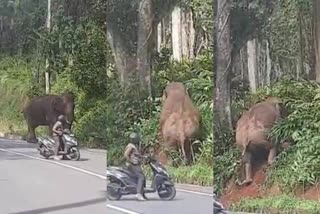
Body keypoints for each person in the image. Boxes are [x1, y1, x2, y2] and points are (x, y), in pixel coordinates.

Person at [124, 132, 146, 201]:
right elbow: (126, 154)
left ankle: (142, 193)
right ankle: (138, 194)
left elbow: (136, 154)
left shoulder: (133, 146)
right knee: (141, 177)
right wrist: (131, 161)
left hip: (135, 164)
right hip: (132, 165)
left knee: (142, 177)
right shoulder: (131, 146)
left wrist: (143, 157)